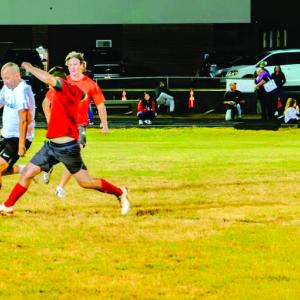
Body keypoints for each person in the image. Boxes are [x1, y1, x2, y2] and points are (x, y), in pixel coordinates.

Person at [0, 63, 130, 216]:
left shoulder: (64, 87)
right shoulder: (73, 90)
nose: (49, 88)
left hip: (67, 147)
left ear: (58, 80)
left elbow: (49, 79)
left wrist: (29, 67)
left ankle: (120, 192)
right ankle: (7, 206)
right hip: (51, 145)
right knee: (28, 173)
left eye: (51, 84)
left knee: (85, 182)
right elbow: (84, 96)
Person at [43, 51, 108, 198]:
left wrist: (104, 124)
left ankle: (60, 187)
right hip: (62, 125)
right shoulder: (61, 83)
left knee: (74, 155)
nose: (72, 67)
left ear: (82, 66)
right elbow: (46, 103)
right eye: (70, 64)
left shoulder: (90, 84)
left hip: (79, 126)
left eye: (75, 64)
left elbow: (100, 105)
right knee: (57, 152)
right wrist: (49, 119)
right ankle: (47, 166)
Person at [0, 62, 35, 189]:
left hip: (18, 138)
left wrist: (21, 145)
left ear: (17, 75)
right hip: (6, 135)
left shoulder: (22, 90)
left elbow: (24, 120)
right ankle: (24, 169)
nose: (4, 81)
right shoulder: (7, 87)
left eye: (7, 78)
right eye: (3, 78)